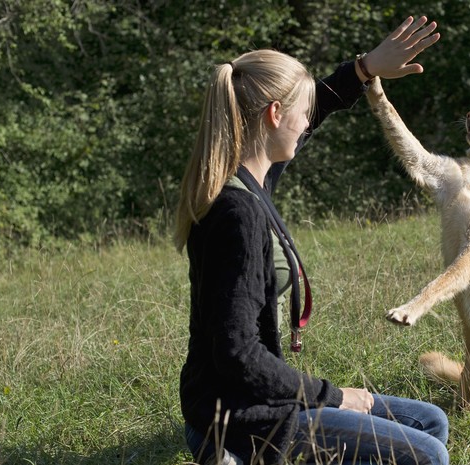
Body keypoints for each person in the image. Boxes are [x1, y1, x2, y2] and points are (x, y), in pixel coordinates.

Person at [174, 16, 447, 465]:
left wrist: (364, 69)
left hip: (255, 403)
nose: (307, 122)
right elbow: (236, 354)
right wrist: (332, 396)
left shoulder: (249, 179)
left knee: (431, 421)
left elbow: (314, 108)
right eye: (300, 112)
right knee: (429, 454)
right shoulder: (237, 213)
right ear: (274, 115)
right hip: (238, 422)